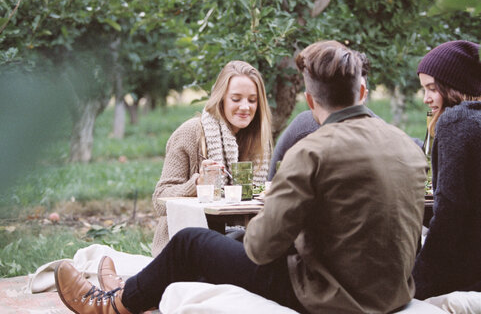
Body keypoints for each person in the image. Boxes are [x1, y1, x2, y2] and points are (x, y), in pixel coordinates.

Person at [53, 40, 427, 314]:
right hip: (392, 293)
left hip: (327, 294)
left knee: (189, 244)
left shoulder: (312, 151)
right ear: (362, 91)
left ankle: (108, 307)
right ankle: (142, 290)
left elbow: (261, 250)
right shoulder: (409, 146)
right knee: (228, 238)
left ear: (311, 102)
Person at [151, 60, 272, 256]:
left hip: (237, 237)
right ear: (221, 98)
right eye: (236, 98)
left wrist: (269, 190)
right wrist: (198, 183)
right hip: (187, 242)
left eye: (252, 100)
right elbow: (159, 200)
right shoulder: (191, 133)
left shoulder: (258, 142)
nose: (245, 107)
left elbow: (247, 196)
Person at [267, 51, 423, 180]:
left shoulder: (385, 136)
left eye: (354, 90)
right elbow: (273, 181)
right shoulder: (304, 129)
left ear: (363, 93)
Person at [412, 40, 481, 300]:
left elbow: (450, 217)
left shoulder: (457, 121)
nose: (426, 98)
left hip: (466, 279)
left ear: (456, 87)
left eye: (432, 88)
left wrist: (414, 286)